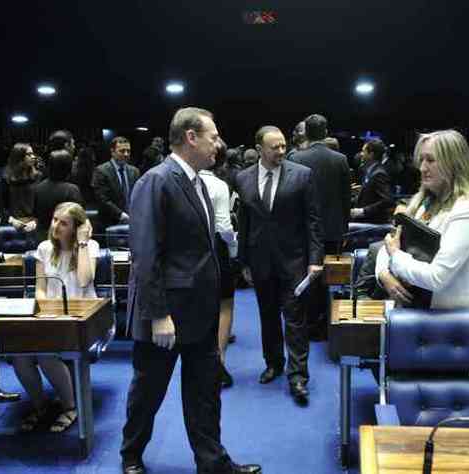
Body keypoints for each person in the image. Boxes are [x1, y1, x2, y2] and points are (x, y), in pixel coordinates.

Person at [120, 107, 260, 474]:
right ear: (190, 137)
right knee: (149, 392)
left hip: (200, 311)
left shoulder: (199, 181)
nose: (219, 143)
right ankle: (130, 455)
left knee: (205, 392)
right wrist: (158, 315)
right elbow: (145, 255)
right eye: (213, 136)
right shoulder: (157, 180)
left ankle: (213, 463)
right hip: (166, 315)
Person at [236, 125, 324, 405]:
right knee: (268, 315)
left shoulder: (302, 175)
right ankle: (273, 363)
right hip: (260, 261)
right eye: (274, 147)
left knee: (295, 318)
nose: (281, 151)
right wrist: (244, 262)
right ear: (259, 148)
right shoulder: (243, 178)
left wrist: (315, 260)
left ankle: (298, 375)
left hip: (295, 261)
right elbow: (245, 223)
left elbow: (313, 221)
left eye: (284, 146)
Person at [374, 130, 469, 310]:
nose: (422, 168)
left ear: (453, 164)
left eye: (431, 160)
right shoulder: (423, 203)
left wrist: (396, 257)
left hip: (450, 324)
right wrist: (383, 274)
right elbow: (388, 245)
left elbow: (436, 277)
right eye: (422, 160)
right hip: (414, 314)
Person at [12, 202, 98, 433]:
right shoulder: (43, 248)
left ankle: (70, 407)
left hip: (84, 319)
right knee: (19, 355)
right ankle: (40, 406)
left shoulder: (90, 247)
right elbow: (40, 289)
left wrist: (82, 242)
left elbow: (83, 281)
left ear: (77, 228)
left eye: (64, 223)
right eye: (54, 220)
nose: (56, 226)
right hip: (50, 316)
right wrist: (46, 309)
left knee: (44, 352)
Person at [291, 114, 351, 340]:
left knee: (306, 278)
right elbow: (346, 199)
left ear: (306, 132)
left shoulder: (295, 157)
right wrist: (344, 228)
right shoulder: (341, 159)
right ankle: (327, 326)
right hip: (334, 229)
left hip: (304, 230)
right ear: (326, 133)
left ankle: (307, 324)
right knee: (332, 280)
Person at [199, 138, 237, 388]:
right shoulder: (219, 185)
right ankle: (218, 361)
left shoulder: (177, 180)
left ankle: (200, 362)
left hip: (187, 252)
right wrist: (234, 249)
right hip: (216, 249)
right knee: (225, 305)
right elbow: (224, 227)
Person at [33, 149, 83, 243]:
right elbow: (79, 219)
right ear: (67, 167)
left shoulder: (38, 187)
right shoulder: (72, 190)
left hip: (42, 238)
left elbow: (35, 215)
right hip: (64, 240)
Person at [93, 136, 140, 228]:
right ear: (112, 152)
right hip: (110, 223)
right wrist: (121, 215)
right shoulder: (101, 171)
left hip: (133, 221)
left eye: (128, 151)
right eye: (122, 151)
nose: (126, 154)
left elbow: (138, 195)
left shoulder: (134, 171)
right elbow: (103, 199)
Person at [350, 138, 394, 224]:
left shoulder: (379, 174)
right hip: (364, 220)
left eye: (363, 151)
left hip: (371, 222)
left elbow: (387, 200)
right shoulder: (370, 171)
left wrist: (363, 211)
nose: (361, 154)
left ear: (371, 154)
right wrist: (361, 192)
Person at [0, 143, 41, 234]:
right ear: (19, 157)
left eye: (33, 154)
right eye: (29, 154)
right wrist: (11, 220)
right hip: (11, 224)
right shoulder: (6, 178)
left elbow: (40, 204)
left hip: (33, 223)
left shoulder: (38, 176)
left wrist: (35, 221)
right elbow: (1, 205)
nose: (33, 157)